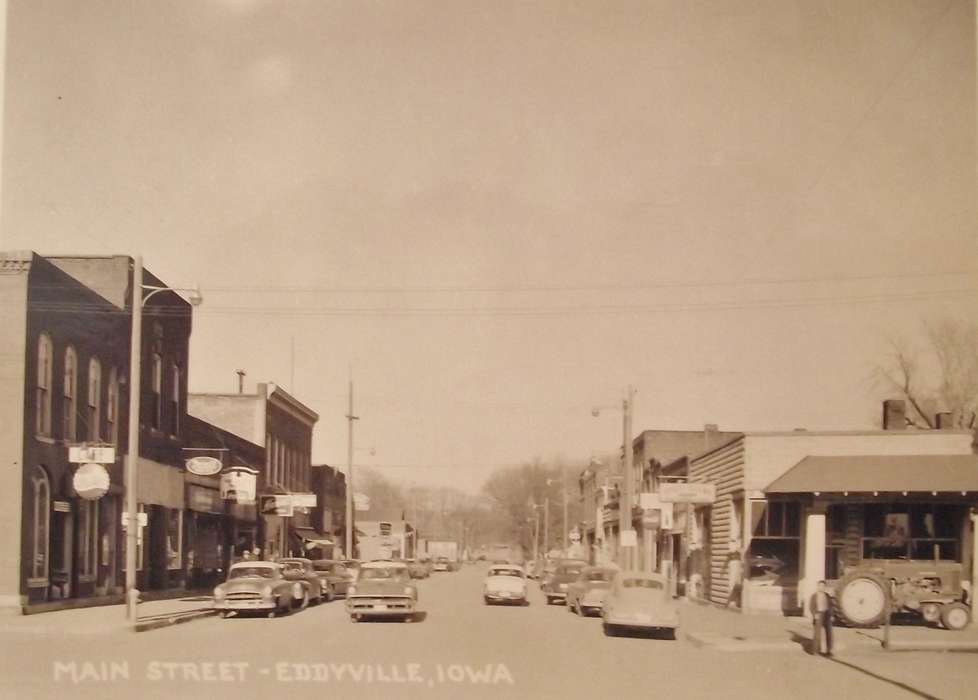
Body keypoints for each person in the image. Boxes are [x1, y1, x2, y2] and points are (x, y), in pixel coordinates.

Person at [810, 580, 834, 656]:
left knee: (829, 633)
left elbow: (831, 606)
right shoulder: (814, 596)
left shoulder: (827, 595)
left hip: (827, 615)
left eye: (823, 586)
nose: (821, 587)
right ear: (818, 587)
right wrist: (814, 614)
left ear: (825, 587)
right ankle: (816, 651)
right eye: (820, 586)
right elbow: (811, 606)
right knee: (817, 634)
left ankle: (829, 651)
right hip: (818, 614)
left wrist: (832, 615)